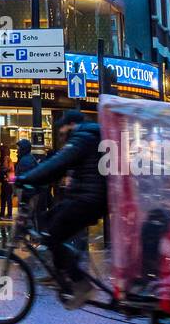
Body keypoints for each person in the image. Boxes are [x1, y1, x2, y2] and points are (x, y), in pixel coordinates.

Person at [14, 110, 106, 308]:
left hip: (88, 199)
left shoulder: (81, 138)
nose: (61, 132)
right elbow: (58, 168)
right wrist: (37, 179)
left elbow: (58, 163)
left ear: (71, 124)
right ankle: (60, 269)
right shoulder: (88, 136)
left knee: (52, 235)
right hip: (86, 197)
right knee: (47, 220)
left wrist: (26, 178)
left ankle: (81, 283)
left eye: (63, 127)